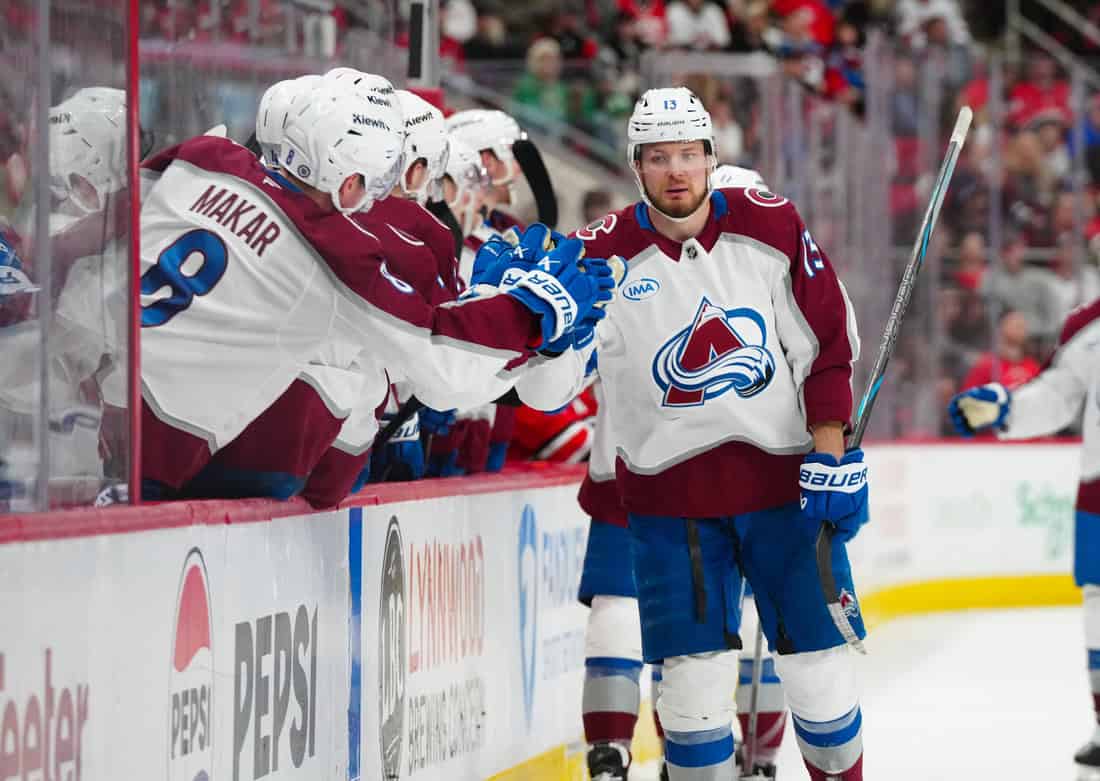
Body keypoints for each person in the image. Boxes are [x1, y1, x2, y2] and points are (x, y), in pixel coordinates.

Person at [543, 87, 867, 781]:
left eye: (689, 154)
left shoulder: (770, 225)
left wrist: (831, 450)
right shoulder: (598, 256)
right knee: (689, 697)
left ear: (713, 157)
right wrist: (540, 333)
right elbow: (550, 388)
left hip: (783, 493)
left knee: (820, 672)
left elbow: (827, 347)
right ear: (637, 166)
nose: (677, 171)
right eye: (659, 158)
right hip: (668, 509)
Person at [138, 78, 612, 499]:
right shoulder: (332, 250)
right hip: (174, 453)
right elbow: (442, 367)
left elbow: (102, 223)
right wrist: (528, 312)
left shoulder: (206, 156)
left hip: (95, 405)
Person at [947, 299, 1100, 778]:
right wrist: (1006, 407)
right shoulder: (1086, 324)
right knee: (1099, 611)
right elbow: (1058, 395)